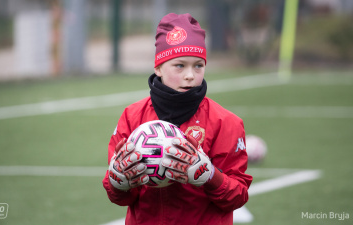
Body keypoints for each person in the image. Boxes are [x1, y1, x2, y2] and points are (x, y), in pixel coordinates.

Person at [102, 13, 252, 225]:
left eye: (198, 65)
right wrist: (118, 181)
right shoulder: (132, 116)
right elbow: (120, 197)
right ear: (158, 67)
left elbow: (238, 196)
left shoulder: (226, 122)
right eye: (180, 65)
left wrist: (210, 177)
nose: (190, 75)